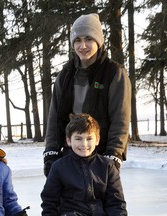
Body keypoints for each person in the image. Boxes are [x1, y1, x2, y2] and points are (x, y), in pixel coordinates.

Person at [43, 13, 131, 176]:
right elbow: (55, 118)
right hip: (70, 154)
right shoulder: (65, 75)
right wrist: (51, 152)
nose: (82, 45)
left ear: (99, 41)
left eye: (88, 39)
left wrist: (114, 155)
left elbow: (120, 120)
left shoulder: (114, 73)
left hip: (101, 155)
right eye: (77, 40)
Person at [41, 113, 127, 215]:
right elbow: (49, 202)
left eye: (89, 139)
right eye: (78, 139)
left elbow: (116, 203)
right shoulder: (59, 167)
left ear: (97, 140)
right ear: (69, 140)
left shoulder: (107, 166)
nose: (84, 144)